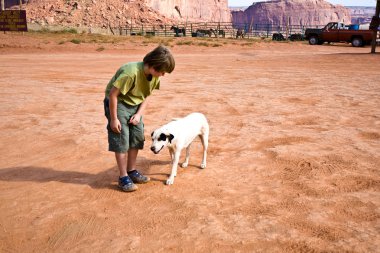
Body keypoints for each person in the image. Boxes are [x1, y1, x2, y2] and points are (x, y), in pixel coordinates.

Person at [104, 45, 175, 192]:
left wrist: (138, 114)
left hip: (135, 105)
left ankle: (131, 171)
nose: (163, 75)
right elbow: (112, 95)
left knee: (136, 138)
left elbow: (146, 95)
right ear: (154, 65)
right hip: (118, 103)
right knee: (122, 139)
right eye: (162, 71)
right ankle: (123, 177)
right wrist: (114, 119)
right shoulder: (130, 73)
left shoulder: (154, 77)